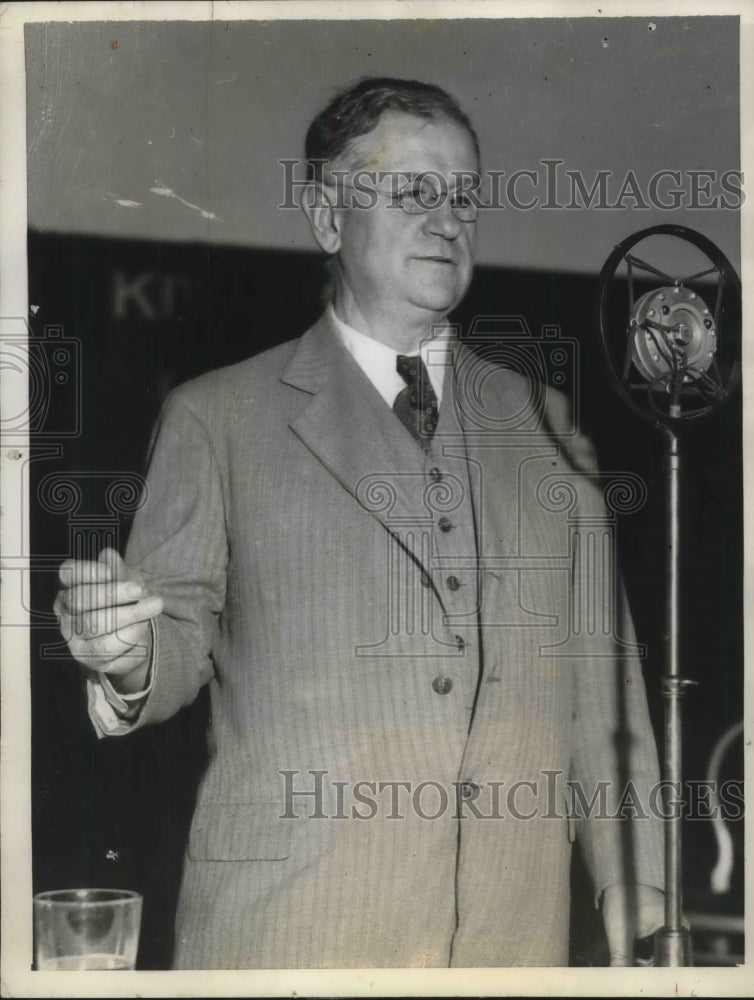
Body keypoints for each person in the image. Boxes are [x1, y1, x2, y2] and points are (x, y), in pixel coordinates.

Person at [54, 77, 665, 968]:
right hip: (292, 936)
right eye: (413, 191)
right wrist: (128, 655)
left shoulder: (547, 423)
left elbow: (603, 686)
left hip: (508, 949)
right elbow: (175, 634)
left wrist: (634, 876)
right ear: (327, 218)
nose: (449, 219)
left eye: (464, 195)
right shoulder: (217, 417)